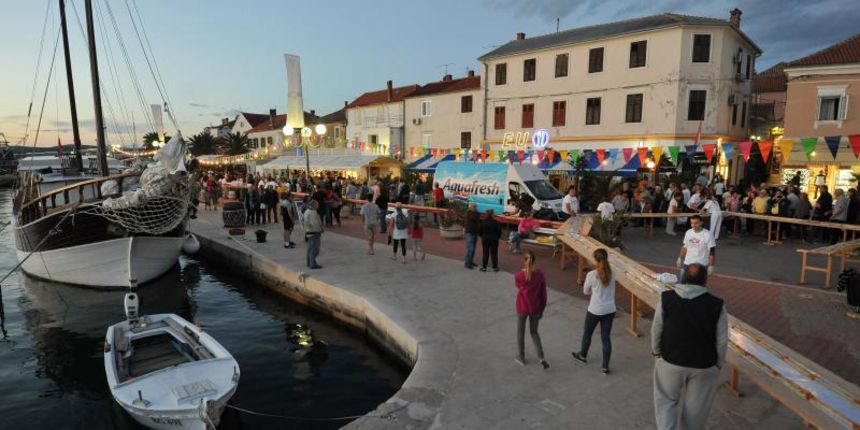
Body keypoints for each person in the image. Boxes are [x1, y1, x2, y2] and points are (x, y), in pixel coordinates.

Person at [651, 264, 728, 430]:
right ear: (705, 280)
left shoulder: (666, 298)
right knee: (695, 412)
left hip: (670, 360)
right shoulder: (717, 304)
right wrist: (718, 364)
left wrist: (656, 352)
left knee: (666, 402)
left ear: (683, 278)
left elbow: (657, 328)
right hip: (704, 365)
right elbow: (722, 340)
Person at [571, 248, 616, 374]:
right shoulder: (613, 273)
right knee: (606, 338)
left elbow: (585, 291)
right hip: (610, 309)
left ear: (596, 260)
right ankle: (605, 366)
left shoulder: (591, 275)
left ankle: (583, 355)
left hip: (595, 310)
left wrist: (592, 290)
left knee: (587, 333)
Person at [514, 251, 549, 369]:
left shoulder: (518, 276)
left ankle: (521, 357)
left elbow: (518, 286)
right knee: (534, 332)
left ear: (524, 260)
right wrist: (541, 310)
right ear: (534, 261)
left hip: (522, 307)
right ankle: (541, 357)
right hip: (535, 308)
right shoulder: (540, 275)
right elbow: (543, 295)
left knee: (520, 332)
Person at [676, 215, 715, 283]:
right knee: (682, 282)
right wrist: (680, 258)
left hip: (701, 264)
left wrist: (711, 265)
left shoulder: (708, 234)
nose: (693, 225)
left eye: (696, 223)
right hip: (687, 263)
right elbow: (684, 247)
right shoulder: (688, 232)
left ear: (701, 223)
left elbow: (712, 252)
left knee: (699, 284)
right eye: (692, 223)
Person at [304, 200, 323, 269]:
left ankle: (309, 262)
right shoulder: (312, 212)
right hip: (314, 232)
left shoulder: (308, 211)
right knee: (315, 249)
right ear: (314, 205)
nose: (318, 206)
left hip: (310, 232)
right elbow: (314, 223)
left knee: (310, 248)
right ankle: (312, 263)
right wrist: (319, 229)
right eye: (317, 205)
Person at [464, 203, 480, 269]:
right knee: (470, 249)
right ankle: (467, 263)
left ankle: (471, 261)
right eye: (473, 207)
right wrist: (475, 212)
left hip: (475, 233)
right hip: (469, 233)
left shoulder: (477, 213)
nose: (475, 208)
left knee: (473, 249)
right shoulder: (468, 213)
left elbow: (478, 218)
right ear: (470, 207)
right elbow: (473, 218)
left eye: (475, 207)